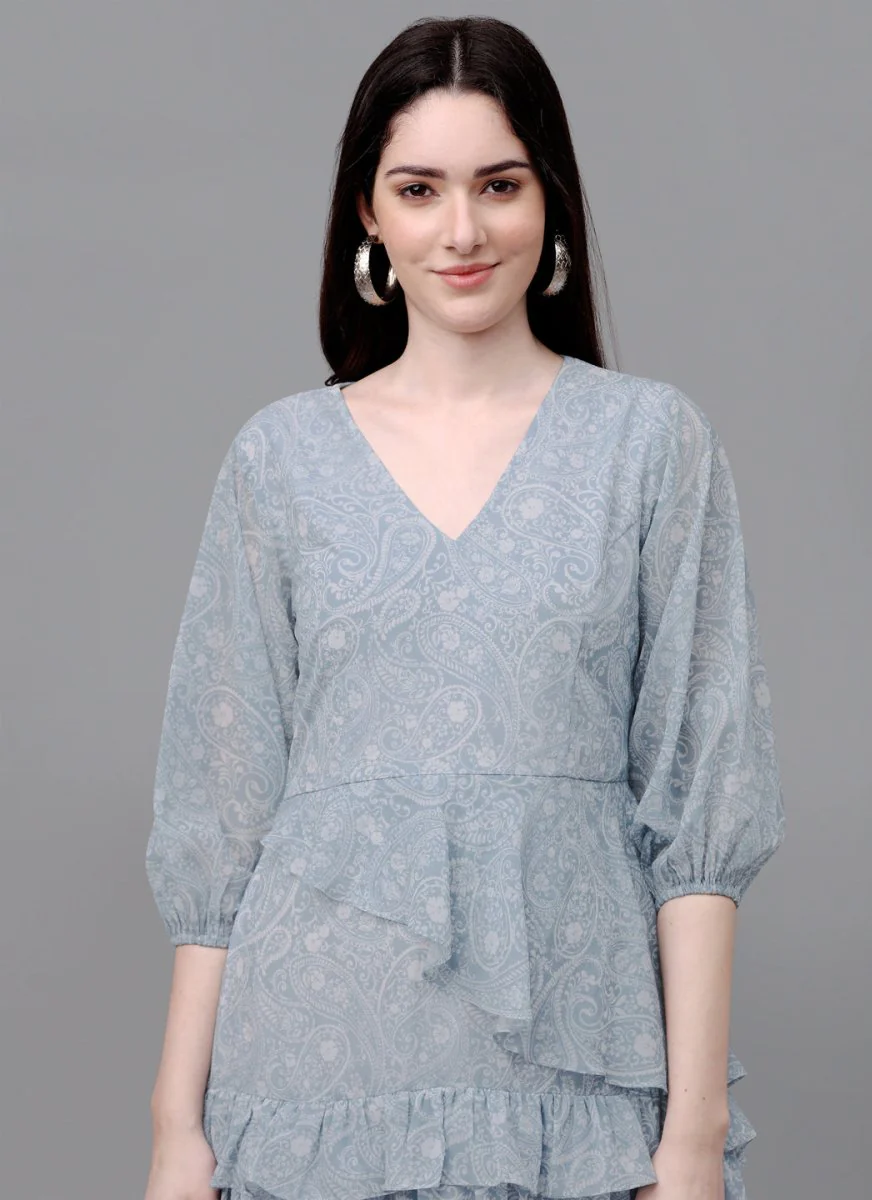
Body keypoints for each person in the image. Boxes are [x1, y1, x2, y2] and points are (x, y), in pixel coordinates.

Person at [143, 15, 786, 1200]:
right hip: (305, 1095)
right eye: (418, 189)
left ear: (551, 201)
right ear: (368, 214)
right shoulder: (278, 460)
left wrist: (692, 1134)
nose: (462, 230)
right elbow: (221, 823)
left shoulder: (651, 445)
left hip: (578, 1097)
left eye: (499, 184)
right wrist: (176, 1128)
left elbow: (701, 809)